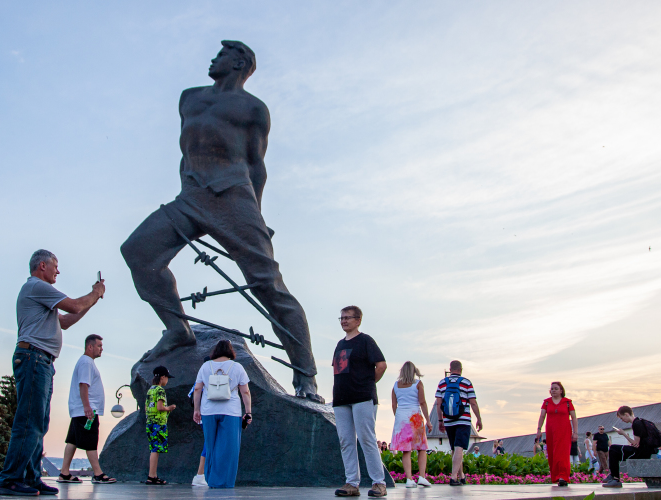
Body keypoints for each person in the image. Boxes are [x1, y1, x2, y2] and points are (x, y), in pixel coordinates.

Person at [120, 40, 323, 403]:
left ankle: (305, 373)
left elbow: (256, 164)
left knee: (267, 284)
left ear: (240, 63)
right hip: (191, 195)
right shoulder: (189, 98)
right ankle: (178, 329)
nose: (213, 59)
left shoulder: (253, 109)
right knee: (138, 252)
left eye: (222, 54)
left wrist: (256, 214)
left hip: (232, 196)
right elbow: (188, 148)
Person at [0, 250, 105, 496]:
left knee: (39, 423)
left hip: (41, 361)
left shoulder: (42, 296)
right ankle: (10, 479)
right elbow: (75, 304)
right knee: (29, 421)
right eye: (56, 266)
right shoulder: (37, 286)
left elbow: (66, 320)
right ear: (42, 265)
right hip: (34, 358)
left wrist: (93, 300)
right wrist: (95, 293)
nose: (58, 271)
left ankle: (32, 478)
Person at [332, 306, 388, 497]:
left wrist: (367, 384)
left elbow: (381, 365)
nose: (344, 321)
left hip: (362, 397)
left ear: (358, 320)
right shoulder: (339, 344)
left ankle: (379, 483)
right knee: (346, 441)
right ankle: (351, 483)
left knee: (367, 439)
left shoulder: (366, 341)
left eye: (348, 318)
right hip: (341, 399)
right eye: (341, 318)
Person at [192, 340, 252, 488]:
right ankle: (224, 483)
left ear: (215, 351)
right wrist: (248, 412)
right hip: (230, 412)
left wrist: (196, 409)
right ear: (231, 351)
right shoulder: (237, 367)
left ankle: (211, 480)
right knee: (229, 449)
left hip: (209, 411)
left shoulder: (206, 366)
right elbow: (245, 391)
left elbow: (198, 389)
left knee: (211, 446)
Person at [58, 335, 116, 484]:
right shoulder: (86, 363)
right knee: (90, 440)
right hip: (87, 410)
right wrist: (87, 407)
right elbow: (83, 384)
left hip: (80, 410)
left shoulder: (86, 362)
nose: (101, 349)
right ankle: (98, 474)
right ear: (90, 347)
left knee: (72, 440)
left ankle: (64, 473)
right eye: (99, 346)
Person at [435, 360, 482, 487]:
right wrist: (479, 418)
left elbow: (438, 404)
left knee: (455, 449)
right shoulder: (466, 382)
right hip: (463, 419)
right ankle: (453, 477)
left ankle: (461, 476)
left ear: (450, 369)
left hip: (449, 420)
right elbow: (473, 403)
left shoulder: (442, 383)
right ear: (461, 369)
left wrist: (440, 421)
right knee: (459, 448)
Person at [390, 361, 433, 488]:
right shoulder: (418, 384)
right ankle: (422, 477)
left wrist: (398, 417)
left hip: (401, 417)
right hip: (415, 417)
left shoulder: (396, 385)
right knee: (421, 448)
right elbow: (422, 402)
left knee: (405, 450)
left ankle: (409, 479)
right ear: (414, 371)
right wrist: (428, 421)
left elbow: (394, 404)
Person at [603, 406, 661, 488]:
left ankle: (615, 478)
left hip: (641, 453)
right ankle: (614, 476)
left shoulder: (636, 424)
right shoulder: (639, 422)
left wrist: (623, 434)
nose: (622, 420)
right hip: (645, 451)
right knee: (615, 452)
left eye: (622, 418)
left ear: (626, 414)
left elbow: (635, 444)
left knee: (613, 448)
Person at [536, 381, 578, 487]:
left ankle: (563, 477)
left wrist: (575, 432)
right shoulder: (546, 402)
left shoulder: (567, 402)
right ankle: (556, 477)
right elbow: (542, 416)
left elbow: (574, 417)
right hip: (551, 431)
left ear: (561, 390)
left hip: (564, 431)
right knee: (553, 453)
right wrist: (539, 429)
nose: (553, 390)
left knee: (562, 453)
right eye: (552, 389)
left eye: (555, 388)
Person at [146, 366, 176, 485]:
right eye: (167, 378)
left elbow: (146, 407)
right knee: (155, 450)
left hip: (150, 422)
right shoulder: (160, 390)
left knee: (153, 449)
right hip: (158, 424)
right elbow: (159, 407)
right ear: (162, 377)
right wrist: (169, 408)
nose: (167, 380)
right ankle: (152, 476)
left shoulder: (150, 390)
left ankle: (153, 475)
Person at [188, 356, 211, 487]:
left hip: (203, 418)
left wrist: (196, 409)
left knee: (209, 444)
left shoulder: (201, 376)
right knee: (209, 444)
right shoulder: (209, 377)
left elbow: (192, 393)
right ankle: (200, 475)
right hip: (207, 416)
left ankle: (202, 475)